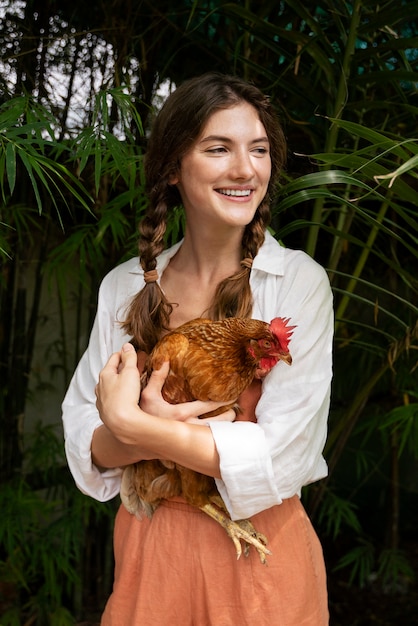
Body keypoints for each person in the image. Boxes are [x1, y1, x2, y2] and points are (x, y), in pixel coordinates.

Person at [62, 72, 333, 625]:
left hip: (257, 551)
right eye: (218, 149)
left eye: (258, 150)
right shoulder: (123, 286)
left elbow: (286, 456)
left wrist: (137, 428)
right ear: (171, 169)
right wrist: (122, 432)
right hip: (149, 553)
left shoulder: (296, 282)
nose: (245, 169)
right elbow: (86, 446)